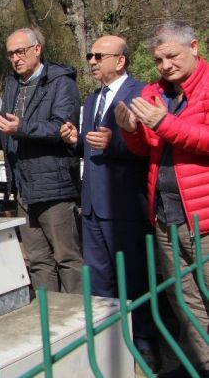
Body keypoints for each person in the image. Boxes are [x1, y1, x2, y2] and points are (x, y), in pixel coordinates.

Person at [60, 35, 159, 370]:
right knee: (101, 282)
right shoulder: (93, 97)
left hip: (124, 204)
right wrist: (75, 141)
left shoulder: (141, 93)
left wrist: (115, 142)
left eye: (99, 55)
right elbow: (92, 149)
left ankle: (145, 345)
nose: (91, 61)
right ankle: (108, 344)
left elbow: (147, 145)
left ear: (121, 60)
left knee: (134, 278)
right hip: (92, 205)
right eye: (90, 55)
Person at [115, 20, 209, 375]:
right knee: (185, 302)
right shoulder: (156, 92)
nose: (166, 65)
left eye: (171, 56)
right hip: (166, 214)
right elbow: (148, 149)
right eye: (158, 60)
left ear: (194, 47)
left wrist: (164, 123)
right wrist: (131, 132)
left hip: (203, 215)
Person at [0, 27, 82, 294]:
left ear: (37, 49)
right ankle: (50, 316)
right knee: (38, 260)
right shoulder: (12, 84)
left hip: (54, 185)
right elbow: (9, 131)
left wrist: (19, 129)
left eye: (20, 52)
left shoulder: (60, 82)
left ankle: (79, 318)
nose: (15, 59)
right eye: (10, 54)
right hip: (23, 186)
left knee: (67, 258)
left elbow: (61, 128)